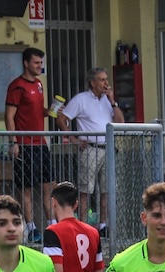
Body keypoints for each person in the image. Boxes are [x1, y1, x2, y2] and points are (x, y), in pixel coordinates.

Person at [57, 67, 125, 236]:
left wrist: (113, 102)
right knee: (85, 190)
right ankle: (83, 225)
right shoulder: (81, 99)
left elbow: (120, 122)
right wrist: (73, 140)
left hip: (108, 148)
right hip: (90, 149)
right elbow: (62, 118)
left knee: (106, 190)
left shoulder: (107, 101)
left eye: (106, 79)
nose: (106, 83)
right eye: (102, 80)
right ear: (92, 83)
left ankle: (103, 225)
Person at [5, 47, 54, 243]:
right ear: (26, 63)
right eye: (36, 63)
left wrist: (48, 111)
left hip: (40, 143)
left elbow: (34, 110)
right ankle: (32, 228)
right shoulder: (17, 86)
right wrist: (13, 141)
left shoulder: (40, 84)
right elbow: (9, 115)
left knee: (49, 185)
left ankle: (51, 225)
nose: (39, 66)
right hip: (25, 144)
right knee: (26, 188)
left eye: (41, 63)